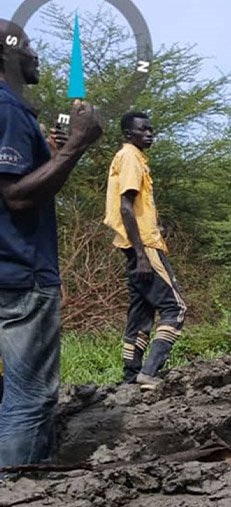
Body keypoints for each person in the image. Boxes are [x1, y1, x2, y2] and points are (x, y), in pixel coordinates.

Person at [0, 19, 103, 467]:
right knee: (29, 397)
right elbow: (18, 197)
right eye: (25, 44)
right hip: (20, 274)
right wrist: (75, 146)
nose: (35, 52)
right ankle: (21, 502)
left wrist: (51, 151)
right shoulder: (7, 109)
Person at [103, 112, 186, 389]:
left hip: (137, 245)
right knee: (175, 309)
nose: (150, 134)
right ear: (129, 134)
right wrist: (141, 254)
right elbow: (126, 206)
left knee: (140, 314)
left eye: (152, 129)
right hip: (145, 246)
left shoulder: (131, 157)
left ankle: (129, 379)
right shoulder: (130, 158)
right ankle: (149, 373)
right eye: (144, 130)